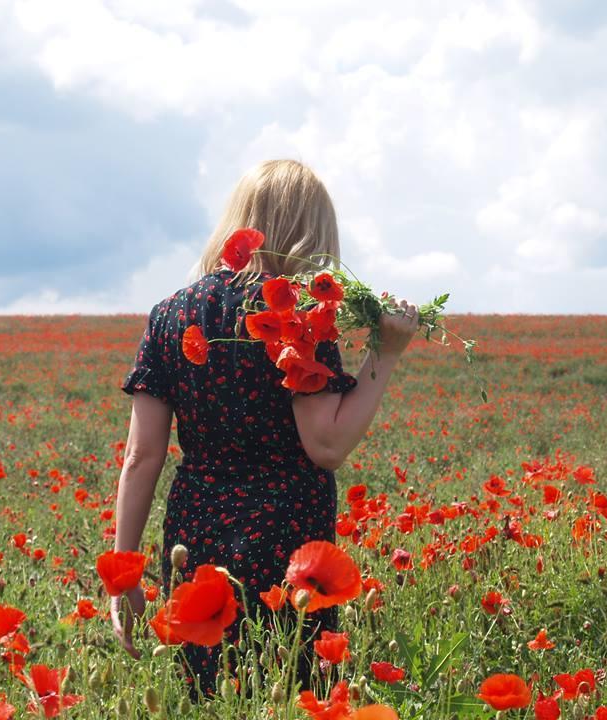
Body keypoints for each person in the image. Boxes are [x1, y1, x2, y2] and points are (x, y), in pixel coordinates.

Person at [111, 158, 420, 699]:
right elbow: (326, 444)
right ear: (311, 231)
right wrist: (385, 353)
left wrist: (125, 576)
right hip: (287, 539)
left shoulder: (168, 315)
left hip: (196, 531)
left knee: (209, 695)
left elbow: (141, 456)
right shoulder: (299, 314)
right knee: (289, 690)